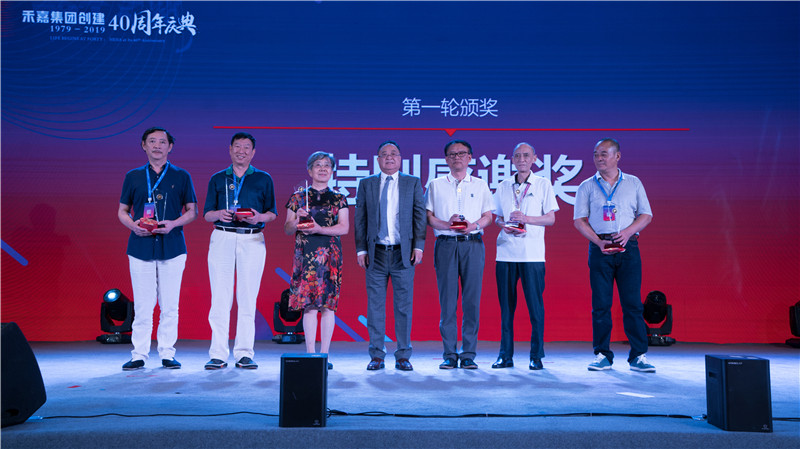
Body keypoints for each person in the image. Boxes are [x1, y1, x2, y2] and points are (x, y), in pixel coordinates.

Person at [118, 127, 197, 370]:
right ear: (143, 145)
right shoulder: (133, 176)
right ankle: (139, 354)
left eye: (162, 142)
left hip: (172, 246)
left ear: (170, 147)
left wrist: (173, 223)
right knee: (143, 306)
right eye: (152, 141)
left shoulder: (181, 176)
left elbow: (192, 211)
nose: (157, 146)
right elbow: (122, 211)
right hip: (140, 246)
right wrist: (133, 226)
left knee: (170, 305)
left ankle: (167, 353)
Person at [573, 138, 655, 372]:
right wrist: (598, 241)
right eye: (596, 154)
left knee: (632, 304)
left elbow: (646, 215)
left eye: (604, 154)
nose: (599, 158)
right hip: (600, 248)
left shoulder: (633, 182)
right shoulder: (587, 186)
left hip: (628, 247)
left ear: (617, 156)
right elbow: (579, 220)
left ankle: (638, 355)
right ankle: (602, 354)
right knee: (601, 304)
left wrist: (628, 232)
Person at [203, 132, 277, 370]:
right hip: (222, 236)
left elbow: (272, 214)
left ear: (253, 152)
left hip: (252, 239)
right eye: (237, 146)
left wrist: (258, 217)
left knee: (247, 297)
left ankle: (244, 353)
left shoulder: (263, 178)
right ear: (230, 149)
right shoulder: (217, 178)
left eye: (246, 147)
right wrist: (219, 214)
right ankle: (218, 354)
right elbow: (207, 214)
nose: (241, 151)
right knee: (220, 297)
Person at [354, 141, 427, 371]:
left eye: (393, 153)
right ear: (377, 159)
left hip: (402, 254)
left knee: (403, 307)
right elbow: (360, 219)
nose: (389, 157)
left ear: (400, 158)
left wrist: (419, 246)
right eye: (384, 154)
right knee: (375, 307)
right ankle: (376, 355)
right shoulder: (366, 184)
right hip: (375, 254)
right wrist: (361, 249)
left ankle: (403, 355)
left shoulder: (411, 183)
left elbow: (419, 216)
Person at [425, 140, 494, 369]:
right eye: (452, 154)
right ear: (446, 159)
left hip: (472, 244)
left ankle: (468, 354)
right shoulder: (435, 185)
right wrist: (447, 224)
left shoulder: (480, 184)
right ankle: (449, 354)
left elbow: (488, 216)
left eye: (461, 153)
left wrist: (473, 225)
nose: (457, 157)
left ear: (470, 157)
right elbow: (428, 217)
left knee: (471, 301)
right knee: (447, 302)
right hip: (446, 244)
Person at [492, 143, 559, 371]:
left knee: (535, 307)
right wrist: (504, 225)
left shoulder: (543, 184)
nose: (522, 159)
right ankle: (505, 355)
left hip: (532, 254)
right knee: (506, 309)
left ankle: (536, 355)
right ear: (512, 159)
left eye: (526, 156)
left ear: (534, 159)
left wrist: (526, 219)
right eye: (518, 156)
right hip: (505, 253)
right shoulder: (503, 186)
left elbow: (550, 219)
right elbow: (497, 218)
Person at [284, 152, 349, 370]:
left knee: (328, 306)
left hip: (330, 255)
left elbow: (344, 228)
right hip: (306, 255)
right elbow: (287, 229)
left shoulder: (339, 198)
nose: (322, 169)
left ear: (332, 171)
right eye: (318, 165)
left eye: (327, 165)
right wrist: (297, 219)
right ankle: (310, 355)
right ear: (309, 170)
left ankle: (324, 356)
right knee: (309, 306)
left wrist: (320, 229)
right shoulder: (298, 198)